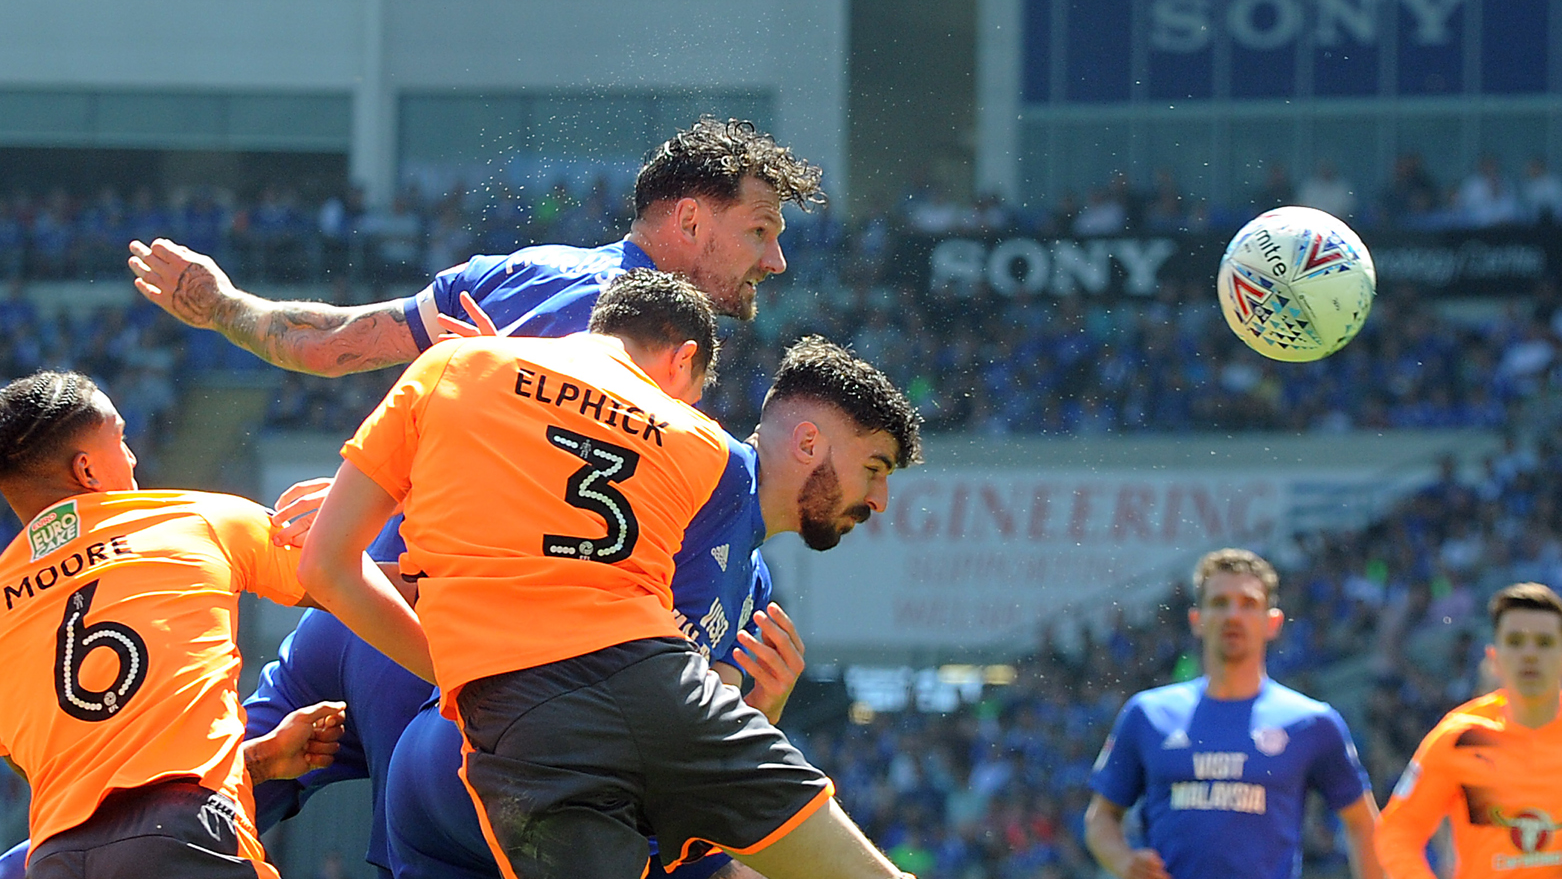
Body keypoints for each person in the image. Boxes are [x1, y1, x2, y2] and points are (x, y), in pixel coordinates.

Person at [296, 271, 917, 879]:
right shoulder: (700, 453)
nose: (882, 499)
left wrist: (757, 712)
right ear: (682, 364)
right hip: (490, 746)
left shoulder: (751, 579)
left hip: (496, 749)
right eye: (875, 468)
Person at [0, 370, 379, 878]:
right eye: (121, 438)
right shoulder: (194, 520)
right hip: (188, 835)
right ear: (86, 470)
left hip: (54, 860)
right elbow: (363, 588)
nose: (133, 457)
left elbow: (86, 777)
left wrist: (259, 761)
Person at [125, 117, 823, 377]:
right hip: (458, 649)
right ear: (693, 222)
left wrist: (224, 307)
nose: (775, 261)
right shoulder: (616, 317)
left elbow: (331, 344)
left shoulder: (529, 274)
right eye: (759, 231)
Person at [1084, 548, 1383, 879]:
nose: (1233, 616)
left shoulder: (1312, 723)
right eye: (1219, 603)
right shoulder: (1147, 714)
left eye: (1249, 603)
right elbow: (1102, 816)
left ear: (1273, 622)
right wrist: (1123, 861)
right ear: (1197, 620)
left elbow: (1362, 822)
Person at [1373, 582, 1562, 879]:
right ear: (1493, 658)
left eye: (1544, 642)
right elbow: (1398, 830)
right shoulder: (1458, 738)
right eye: (1516, 641)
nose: (1529, 654)